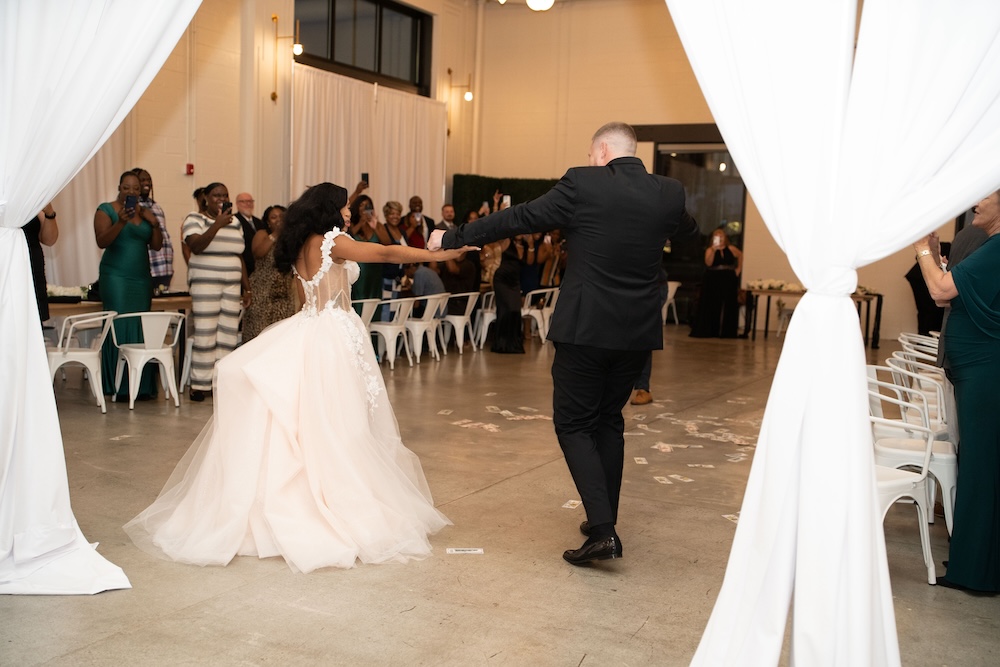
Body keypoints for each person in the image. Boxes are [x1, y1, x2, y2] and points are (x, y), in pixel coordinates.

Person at [124, 182, 474, 572]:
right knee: (339, 424)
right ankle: (332, 503)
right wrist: (437, 254)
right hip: (332, 334)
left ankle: (307, 492)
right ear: (329, 209)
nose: (348, 212)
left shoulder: (302, 244)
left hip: (309, 326)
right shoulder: (331, 241)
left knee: (311, 421)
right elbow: (384, 252)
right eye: (343, 206)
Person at [431, 122, 698, 565]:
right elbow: (688, 231)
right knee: (608, 420)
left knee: (574, 424)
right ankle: (601, 518)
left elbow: (517, 218)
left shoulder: (582, 183)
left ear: (602, 150)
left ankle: (604, 532)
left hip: (586, 328)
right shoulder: (668, 192)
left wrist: (454, 236)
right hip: (636, 333)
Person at [913, 186, 1000, 594]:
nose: (976, 203)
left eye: (985, 196)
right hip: (979, 367)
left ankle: (976, 572)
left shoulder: (998, 247)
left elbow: (940, 291)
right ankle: (975, 558)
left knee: (982, 467)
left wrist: (921, 250)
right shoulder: (990, 246)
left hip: (986, 369)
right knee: (979, 463)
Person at [94, 171, 164, 399]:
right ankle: (116, 385)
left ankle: (141, 385)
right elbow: (102, 241)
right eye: (126, 187)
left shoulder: (144, 213)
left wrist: (154, 224)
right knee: (119, 323)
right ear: (119, 187)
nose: (131, 192)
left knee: (140, 325)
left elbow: (155, 246)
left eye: (135, 188)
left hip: (141, 278)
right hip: (116, 277)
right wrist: (121, 221)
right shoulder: (106, 209)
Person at [183, 182, 250, 402]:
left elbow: (238, 255)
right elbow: (196, 246)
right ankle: (200, 384)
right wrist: (217, 225)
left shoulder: (236, 223)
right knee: (205, 333)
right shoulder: (195, 219)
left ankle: (222, 382)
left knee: (228, 335)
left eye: (224, 194)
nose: (220, 199)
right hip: (205, 283)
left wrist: (246, 287)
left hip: (232, 284)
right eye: (216, 195)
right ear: (206, 198)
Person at [242, 205, 295, 343]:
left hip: (284, 296)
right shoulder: (262, 234)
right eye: (273, 217)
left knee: (280, 338)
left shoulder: (291, 239)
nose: (278, 220)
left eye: (282, 216)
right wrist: (276, 234)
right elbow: (258, 253)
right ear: (267, 222)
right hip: (262, 294)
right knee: (258, 337)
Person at [690, 228, 742, 338]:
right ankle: (710, 329)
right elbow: (708, 263)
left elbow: (740, 255)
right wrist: (714, 250)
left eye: (721, 235)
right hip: (713, 278)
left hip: (728, 277)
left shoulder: (731, 248)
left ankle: (727, 331)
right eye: (716, 235)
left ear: (725, 237)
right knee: (711, 302)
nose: (719, 237)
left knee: (728, 303)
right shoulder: (710, 249)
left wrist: (738, 269)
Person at [134, 168, 174, 293]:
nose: (147, 183)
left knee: (160, 309)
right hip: (146, 268)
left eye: (149, 180)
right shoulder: (132, 207)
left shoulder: (156, 206)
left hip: (164, 268)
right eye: (142, 180)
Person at [348, 195, 390, 310]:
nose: (364, 208)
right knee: (359, 300)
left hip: (375, 270)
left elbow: (387, 243)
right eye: (361, 205)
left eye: (367, 205)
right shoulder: (351, 223)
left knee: (374, 301)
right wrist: (361, 222)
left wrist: (375, 226)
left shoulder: (377, 224)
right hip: (359, 270)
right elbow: (348, 238)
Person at [22, 203, 58, 326]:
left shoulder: (32, 197)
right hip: (6, 263)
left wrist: (49, 213)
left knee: (33, 320)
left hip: (32, 266)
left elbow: (49, 240)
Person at [234, 192, 262, 276]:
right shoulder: (234, 220)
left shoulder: (259, 222)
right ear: (237, 204)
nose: (248, 204)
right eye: (244, 201)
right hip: (243, 266)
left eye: (250, 201)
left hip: (259, 267)